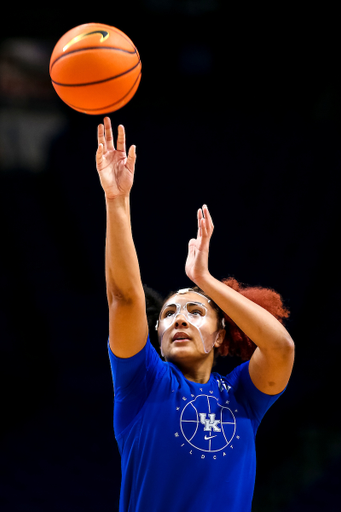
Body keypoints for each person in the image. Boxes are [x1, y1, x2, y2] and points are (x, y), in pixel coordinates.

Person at [96, 117, 295, 512]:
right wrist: (117, 201)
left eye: (195, 310)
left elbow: (281, 347)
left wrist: (204, 279)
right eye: (168, 314)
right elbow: (125, 297)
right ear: (158, 332)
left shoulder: (242, 396)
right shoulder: (142, 382)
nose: (179, 319)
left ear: (221, 335)